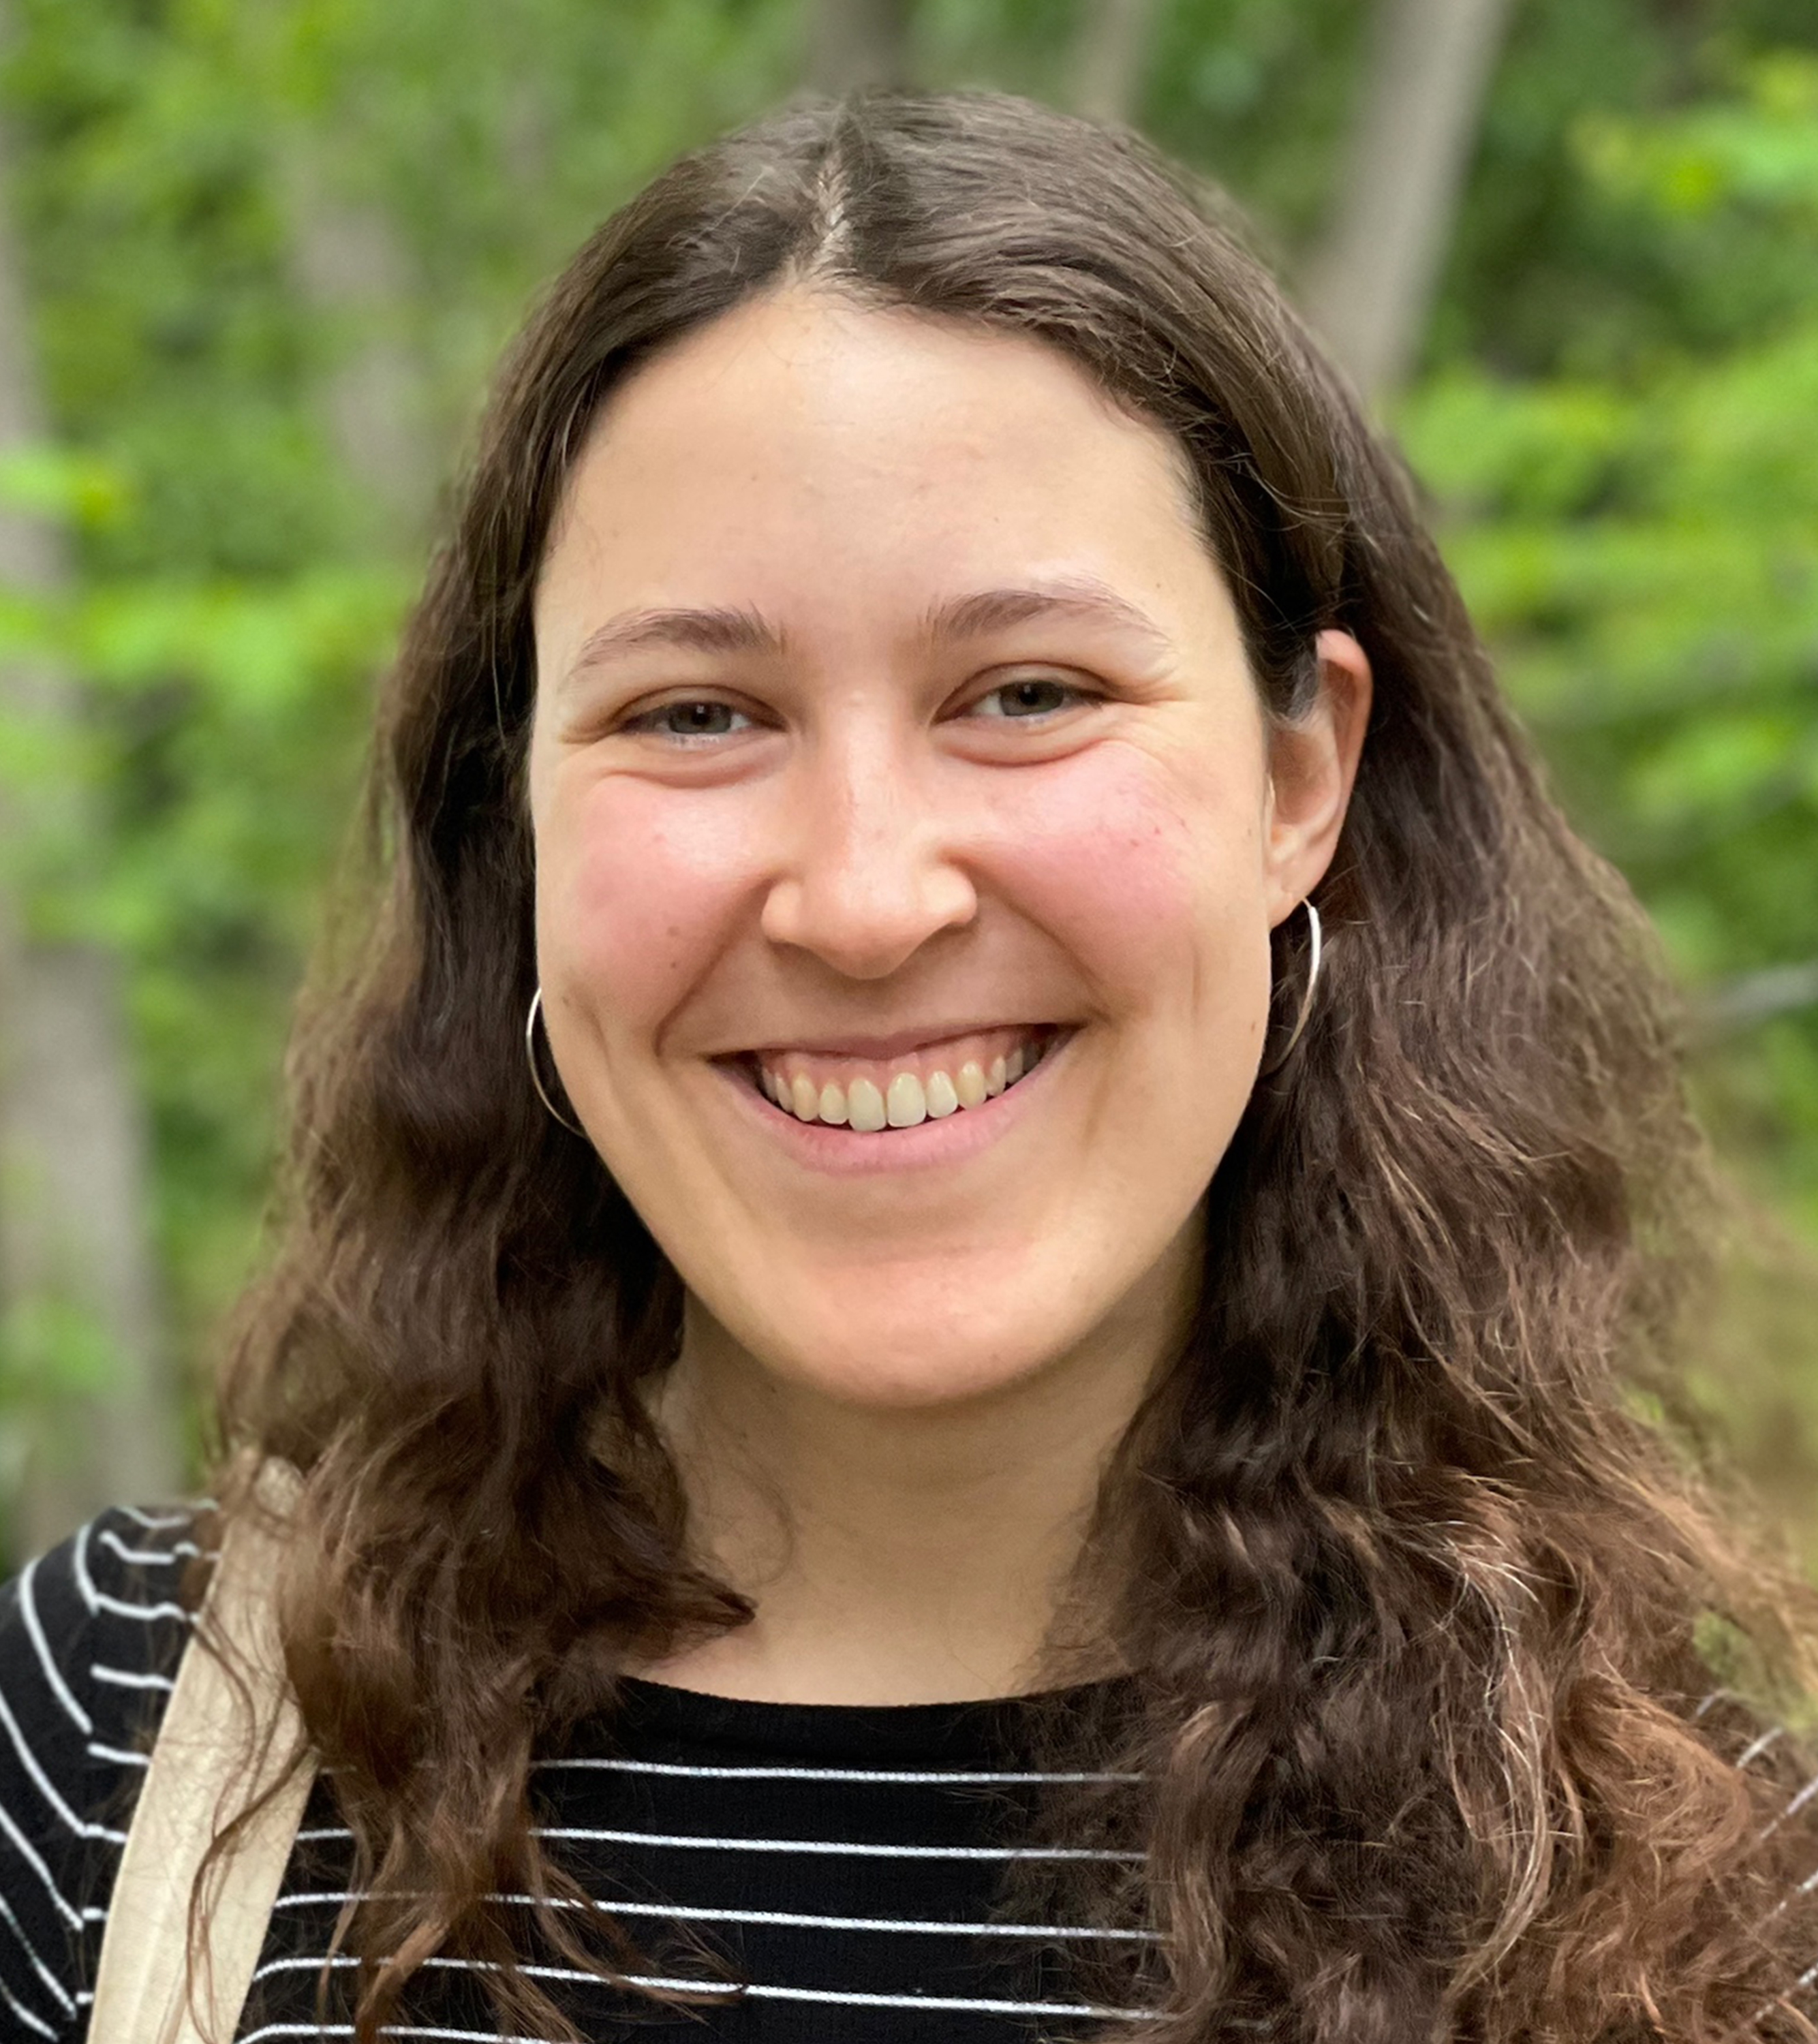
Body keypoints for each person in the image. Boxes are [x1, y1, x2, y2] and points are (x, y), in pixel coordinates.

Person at [2, 87, 1815, 2044]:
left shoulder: (1719, 1911)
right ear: (516, 829)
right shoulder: (114, 1756)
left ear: (1300, 780)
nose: (864, 900)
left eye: (1028, 693)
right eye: (696, 714)